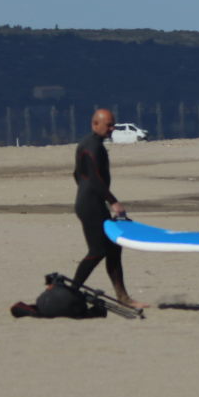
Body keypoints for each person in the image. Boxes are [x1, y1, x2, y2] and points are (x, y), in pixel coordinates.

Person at [71, 107, 140, 307]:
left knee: (113, 248)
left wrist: (86, 192)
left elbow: (76, 174)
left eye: (113, 125)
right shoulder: (93, 146)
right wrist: (113, 201)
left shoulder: (87, 143)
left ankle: (123, 297)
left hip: (90, 201)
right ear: (95, 124)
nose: (112, 129)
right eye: (108, 125)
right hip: (90, 205)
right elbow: (94, 178)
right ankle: (72, 290)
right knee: (97, 250)